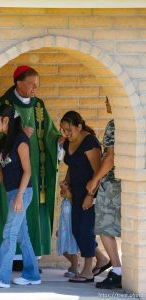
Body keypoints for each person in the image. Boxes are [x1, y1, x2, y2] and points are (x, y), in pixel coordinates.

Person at [0, 65, 62, 270]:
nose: (35, 89)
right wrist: (18, 132)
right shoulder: (3, 104)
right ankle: (5, 262)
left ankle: (24, 264)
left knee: (21, 225)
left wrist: (58, 141)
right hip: (8, 171)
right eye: (31, 85)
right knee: (13, 224)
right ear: (19, 84)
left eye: (37, 85)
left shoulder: (39, 106)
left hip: (29, 177)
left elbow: (50, 133)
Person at [0, 104, 41, 287]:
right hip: (11, 192)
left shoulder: (21, 140)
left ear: (6, 120)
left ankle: (1, 276)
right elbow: (2, 170)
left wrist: (20, 196)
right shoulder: (5, 141)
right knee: (23, 235)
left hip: (22, 192)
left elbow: (28, 171)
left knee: (9, 232)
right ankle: (32, 275)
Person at [60, 111, 110, 283]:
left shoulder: (90, 142)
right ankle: (102, 259)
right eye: (63, 130)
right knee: (76, 230)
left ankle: (87, 271)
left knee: (86, 231)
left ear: (79, 126)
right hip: (75, 192)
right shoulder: (68, 142)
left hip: (90, 192)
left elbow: (98, 172)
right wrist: (66, 183)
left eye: (68, 130)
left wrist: (91, 196)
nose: (65, 134)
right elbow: (71, 165)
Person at [86, 97, 122, 289]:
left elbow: (110, 158)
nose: (106, 103)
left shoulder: (114, 124)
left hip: (111, 185)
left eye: (108, 100)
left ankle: (117, 271)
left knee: (105, 228)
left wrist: (95, 180)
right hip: (129, 185)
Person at [57, 180, 79, 278]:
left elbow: (70, 196)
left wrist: (65, 188)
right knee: (62, 248)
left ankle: (74, 268)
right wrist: (59, 229)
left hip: (71, 228)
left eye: (64, 190)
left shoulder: (71, 200)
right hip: (64, 228)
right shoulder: (64, 201)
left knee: (72, 247)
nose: (61, 191)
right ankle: (74, 264)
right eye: (61, 189)